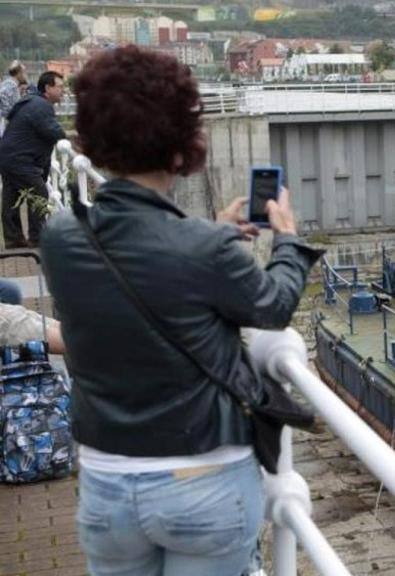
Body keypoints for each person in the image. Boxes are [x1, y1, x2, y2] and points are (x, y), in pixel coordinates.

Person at [40, 46, 320, 576]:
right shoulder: (204, 250)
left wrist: (210, 232)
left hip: (106, 484)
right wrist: (287, 240)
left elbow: (134, 267)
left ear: (93, 140)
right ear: (179, 147)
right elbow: (273, 306)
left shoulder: (59, 237)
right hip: (204, 480)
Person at [0, 71, 66, 249]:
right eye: (59, 86)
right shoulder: (41, 106)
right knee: (40, 193)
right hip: (19, 159)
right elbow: (53, 131)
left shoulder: (32, 101)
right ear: (47, 88)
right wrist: (70, 138)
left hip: (9, 156)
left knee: (12, 197)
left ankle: (14, 239)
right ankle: (37, 238)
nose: (63, 91)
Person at [0, 61, 26, 132]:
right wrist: (9, 114)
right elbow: (2, 96)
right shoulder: (11, 85)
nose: (25, 75)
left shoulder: (11, 84)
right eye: (24, 72)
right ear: (19, 73)